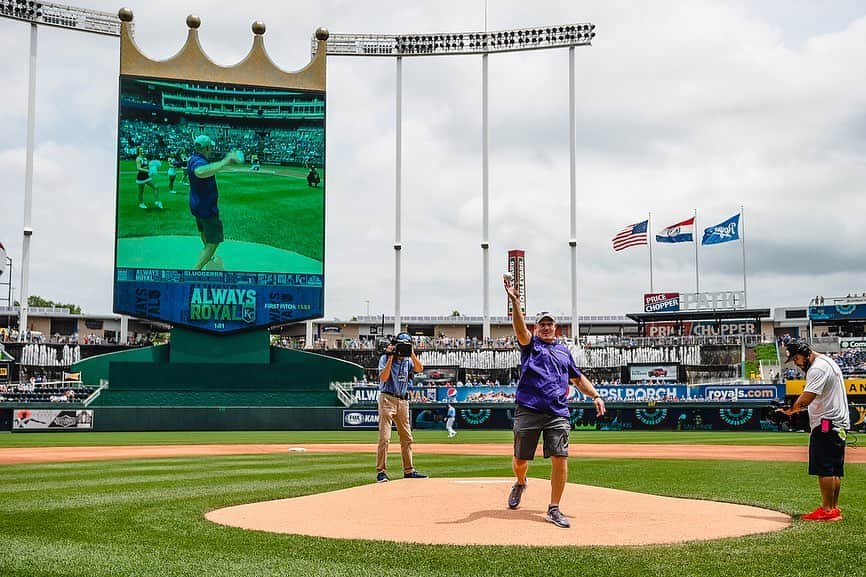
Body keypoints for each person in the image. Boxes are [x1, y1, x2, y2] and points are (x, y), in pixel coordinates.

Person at [504, 276, 606, 528]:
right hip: (528, 409)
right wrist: (515, 302)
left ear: (556, 328)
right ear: (537, 328)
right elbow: (519, 329)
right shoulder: (530, 345)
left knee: (560, 457)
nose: (547, 327)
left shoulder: (563, 351)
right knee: (520, 460)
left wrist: (595, 395)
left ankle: (553, 508)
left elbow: (578, 378)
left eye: (550, 324)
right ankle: (520, 482)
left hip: (557, 412)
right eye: (542, 324)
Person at [777, 339, 850, 521]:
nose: (796, 362)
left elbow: (806, 398)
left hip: (826, 424)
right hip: (837, 423)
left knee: (824, 467)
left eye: (797, 358)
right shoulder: (827, 362)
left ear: (805, 352)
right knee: (834, 468)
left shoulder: (817, 368)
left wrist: (788, 412)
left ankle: (826, 510)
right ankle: (832, 509)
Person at [376, 332, 427, 482]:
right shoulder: (385, 358)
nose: (403, 349)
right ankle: (381, 472)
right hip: (387, 398)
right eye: (402, 346)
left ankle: (409, 470)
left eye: (407, 346)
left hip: (403, 401)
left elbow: (419, 368)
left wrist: (411, 353)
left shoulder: (407, 360)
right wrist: (391, 356)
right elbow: (383, 378)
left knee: (407, 437)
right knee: (384, 438)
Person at [187, 135, 241, 270]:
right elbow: (199, 172)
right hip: (206, 208)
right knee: (214, 241)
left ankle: (208, 256)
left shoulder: (194, 158)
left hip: (197, 206)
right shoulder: (199, 161)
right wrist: (225, 161)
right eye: (210, 147)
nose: (211, 149)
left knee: (204, 232)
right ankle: (195, 269)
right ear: (206, 147)